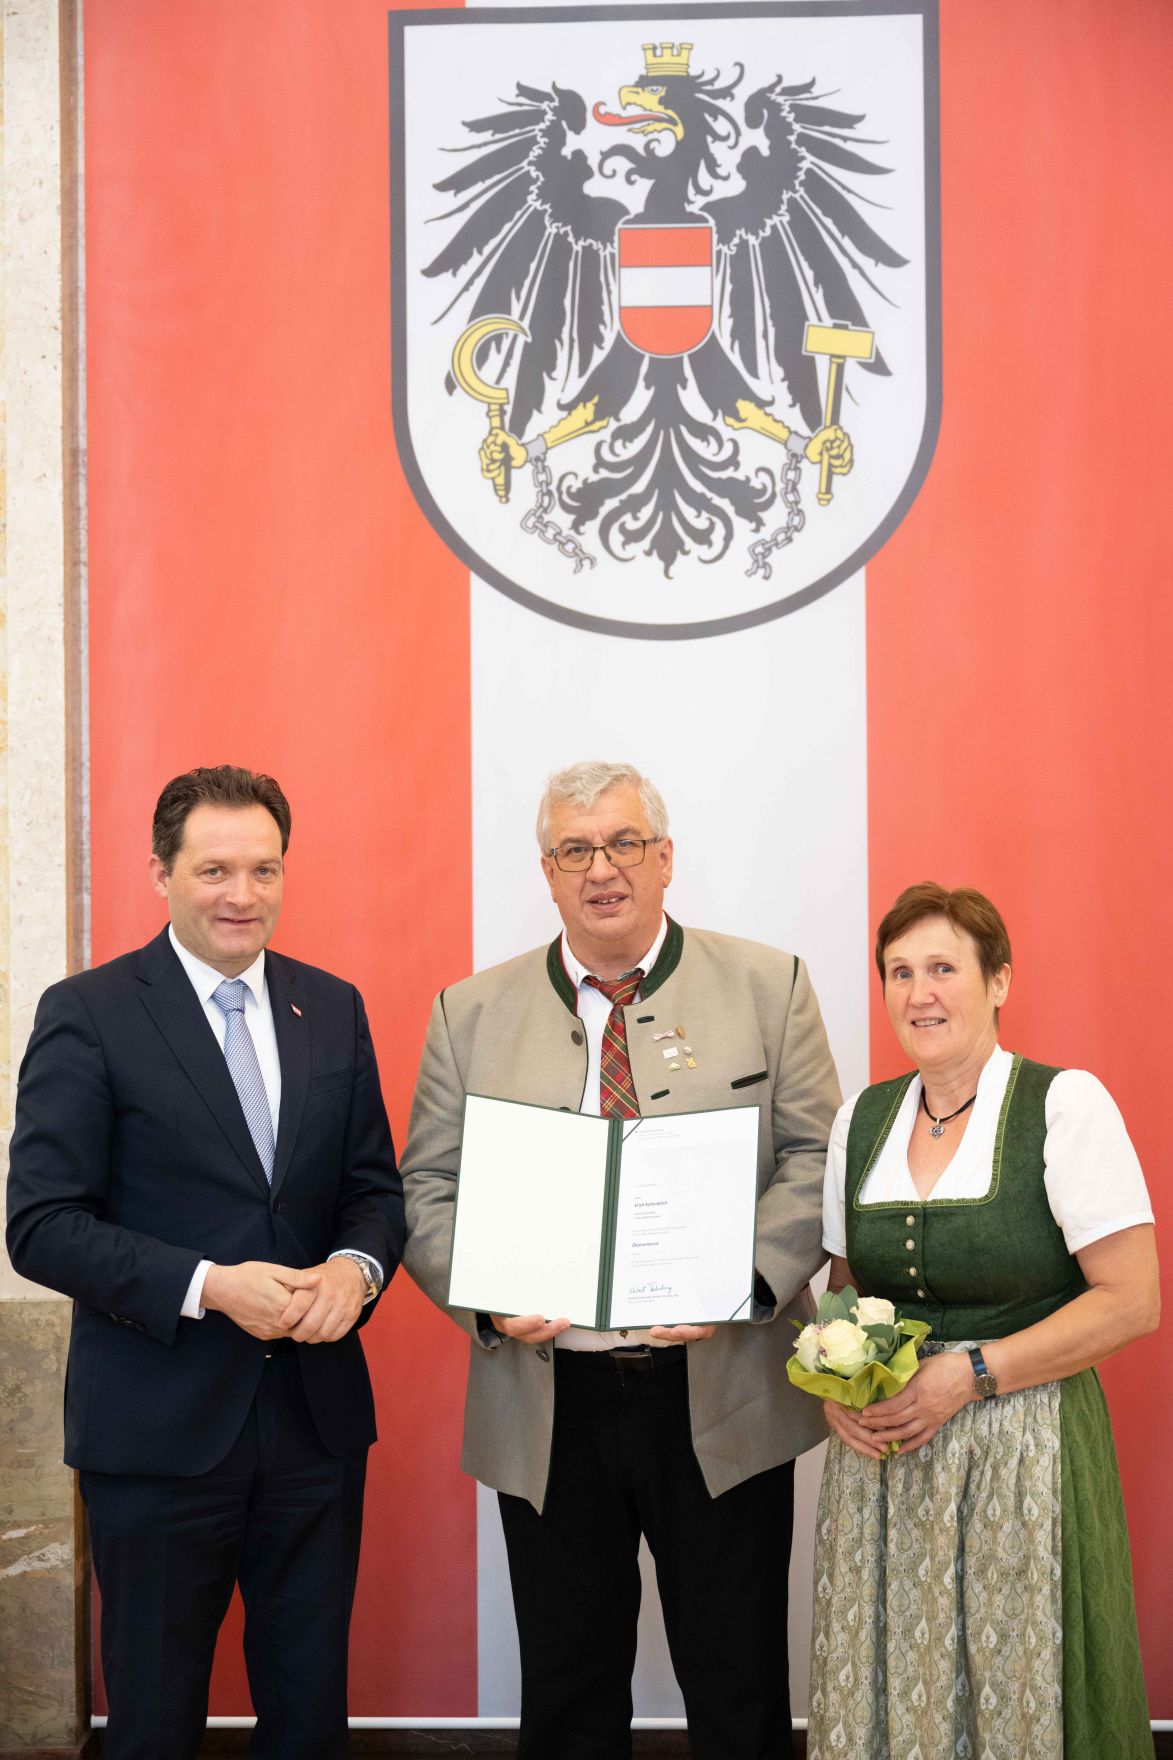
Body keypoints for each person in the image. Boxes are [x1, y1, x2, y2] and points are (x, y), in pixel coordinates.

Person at [403, 759, 841, 1760]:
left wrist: (744, 1276)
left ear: (665, 858)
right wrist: (487, 1297)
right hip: (548, 1401)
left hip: (720, 1391)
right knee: (567, 1693)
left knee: (738, 1688)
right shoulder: (469, 1013)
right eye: (575, 849)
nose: (602, 868)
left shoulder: (768, 985)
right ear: (548, 873)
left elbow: (819, 1159)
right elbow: (426, 1190)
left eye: (623, 843)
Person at [6, 765, 404, 1760]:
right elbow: (42, 1221)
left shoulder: (332, 1005)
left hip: (314, 1428)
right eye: (214, 868)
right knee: (152, 1719)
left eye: (264, 868)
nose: (242, 893)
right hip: (157, 1430)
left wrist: (355, 1271)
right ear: (160, 871)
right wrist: (207, 1284)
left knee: (309, 1717)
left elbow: (374, 1189)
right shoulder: (89, 1011)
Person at [808, 881, 1158, 1760]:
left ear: (997, 980)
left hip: (1023, 1449)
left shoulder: (1063, 1105)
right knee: (892, 1686)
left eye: (942, 968)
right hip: (891, 1462)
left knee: (1014, 1690)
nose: (918, 993)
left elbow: (1131, 1300)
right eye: (898, 972)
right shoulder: (863, 1119)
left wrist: (969, 1375)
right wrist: (833, 1386)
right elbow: (848, 1293)